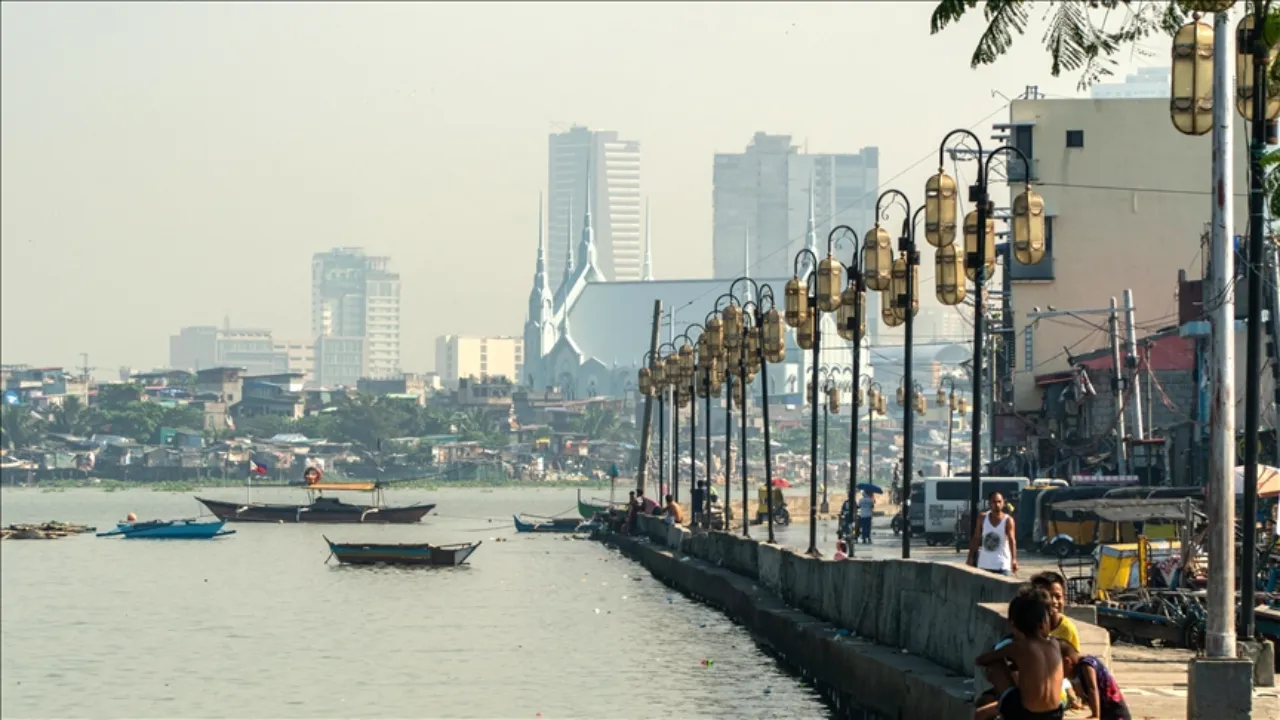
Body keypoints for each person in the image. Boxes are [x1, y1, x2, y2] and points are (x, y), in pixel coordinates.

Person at [973, 588, 1065, 720]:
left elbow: (981, 660)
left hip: (1026, 714)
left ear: (1015, 625)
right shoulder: (1055, 644)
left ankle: (1001, 703)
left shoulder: (1018, 647)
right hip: (1055, 713)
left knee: (995, 663)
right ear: (1043, 623)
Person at [1060, 640, 1130, 720]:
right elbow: (1080, 692)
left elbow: (1092, 688)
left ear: (1067, 661)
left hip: (1116, 713)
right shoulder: (1076, 669)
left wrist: (1095, 715)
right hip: (1105, 712)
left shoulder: (1087, 665)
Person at [967, 490, 1018, 575]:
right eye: (994, 502)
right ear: (989, 503)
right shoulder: (982, 518)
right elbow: (976, 538)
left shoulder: (1008, 520)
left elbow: (1012, 540)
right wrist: (970, 557)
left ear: (1003, 503)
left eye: (999, 502)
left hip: (1002, 565)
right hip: (984, 565)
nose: (997, 504)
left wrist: (1014, 560)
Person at [1031, 572, 1080, 653]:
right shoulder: (1029, 625)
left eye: (1058, 597)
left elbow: (1073, 657)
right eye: (1048, 596)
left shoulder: (1068, 630)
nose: (1054, 601)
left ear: (1064, 598)